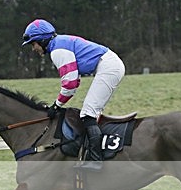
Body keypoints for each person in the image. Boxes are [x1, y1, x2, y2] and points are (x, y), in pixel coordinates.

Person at [22, 19, 125, 171]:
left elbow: (70, 85)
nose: (33, 48)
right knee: (90, 113)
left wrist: (56, 105)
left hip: (109, 67)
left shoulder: (58, 50)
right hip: (109, 64)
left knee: (88, 114)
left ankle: (95, 161)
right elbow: (74, 82)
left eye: (33, 44)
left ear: (42, 40)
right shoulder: (59, 43)